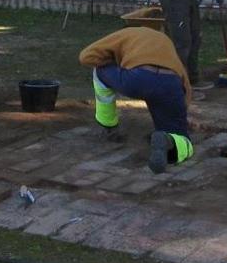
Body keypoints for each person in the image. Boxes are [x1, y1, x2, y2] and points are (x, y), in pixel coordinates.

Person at [79, 27, 194, 174]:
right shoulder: (165, 41)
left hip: (137, 80)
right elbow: (185, 82)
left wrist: (115, 64)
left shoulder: (124, 34)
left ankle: (108, 124)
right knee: (181, 138)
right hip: (170, 84)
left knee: (99, 70)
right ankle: (169, 140)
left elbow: (85, 57)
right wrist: (179, 113)